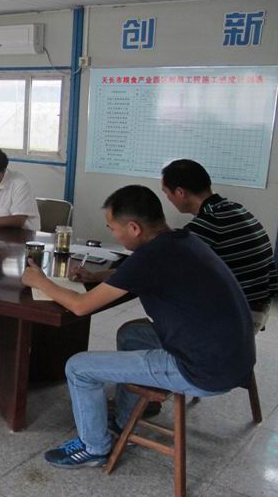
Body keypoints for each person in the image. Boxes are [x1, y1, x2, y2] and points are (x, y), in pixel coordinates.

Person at [21, 185, 255, 468]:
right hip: (235, 358)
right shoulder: (180, 241)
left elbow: (80, 306)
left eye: (112, 228)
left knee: (78, 367)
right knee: (132, 334)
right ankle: (125, 420)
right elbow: (138, 272)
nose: (113, 234)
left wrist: (40, 281)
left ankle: (94, 448)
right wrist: (99, 275)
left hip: (201, 370)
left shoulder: (150, 257)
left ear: (133, 228)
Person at [162, 159, 277, 332]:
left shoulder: (208, 223)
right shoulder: (235, 208)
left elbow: (169, 269)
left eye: (166, 192)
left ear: (180, 192)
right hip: (260, 306)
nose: (168, 198)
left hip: (240, 313)